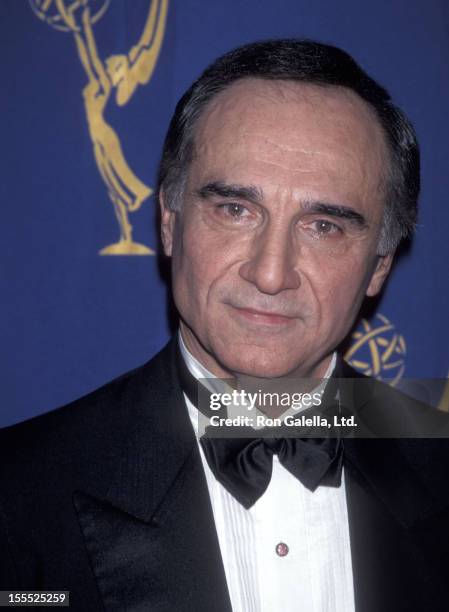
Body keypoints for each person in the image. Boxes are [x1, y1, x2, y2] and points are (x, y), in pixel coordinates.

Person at [1, 39, 448, 612]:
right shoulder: (18, 496)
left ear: (380, 264)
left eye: (324, 226)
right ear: (168, 221)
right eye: (235, 210)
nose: (270, 273)